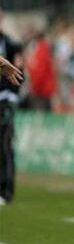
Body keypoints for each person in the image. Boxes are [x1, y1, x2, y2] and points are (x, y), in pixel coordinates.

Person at [0, 10, 24, 206]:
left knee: (5, 145)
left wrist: (14, 95)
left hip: (5, 100)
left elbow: (19, 71)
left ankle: (6, 191)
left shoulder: (11, 44)